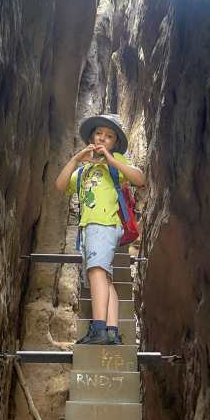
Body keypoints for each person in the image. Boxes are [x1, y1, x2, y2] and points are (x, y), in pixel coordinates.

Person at [55, 113, 145, 345]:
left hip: (103, 224)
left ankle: (98, 329)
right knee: (105, 278)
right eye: (99, 134)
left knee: (95, 271)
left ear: (115, 143)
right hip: (89, 228)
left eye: (109, 136)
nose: (103, 139)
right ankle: (112, 331)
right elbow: (61, 184)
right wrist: (77, 159)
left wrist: (112, 161)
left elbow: (140, 179)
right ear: (91, 137)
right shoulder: (84, 170)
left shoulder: (116, 162)